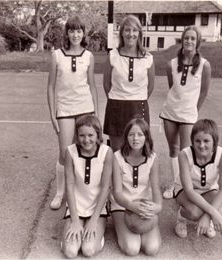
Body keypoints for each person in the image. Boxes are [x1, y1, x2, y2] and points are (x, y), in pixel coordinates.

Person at [47, 16, 98, 210]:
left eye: (79, 31)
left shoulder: (89, 56)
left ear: (83, 33)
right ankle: (60, 193)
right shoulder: (57, 56)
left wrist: (96, 113)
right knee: (64, 152)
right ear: (67, 33)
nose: (75, 35)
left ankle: (80, 190)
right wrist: (53, 114)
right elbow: (50, 86)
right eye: (72, 31)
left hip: (85, 108)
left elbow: (92, 85)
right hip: (65, 109)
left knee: (86, 149)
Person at [159, 26, 211, 200]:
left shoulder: (204, 65)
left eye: (192, 39)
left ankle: (185, 186)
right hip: (170, 113)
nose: (189, 41)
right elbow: (172, 88)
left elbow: (203, 92)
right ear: (182, 40)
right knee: (173, 149)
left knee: (185, 151)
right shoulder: (171, 64)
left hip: (188, 115)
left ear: (197, 42)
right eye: (186, 38)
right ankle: (175, 184)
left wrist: (194, 110)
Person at [61, 115, 113, 258]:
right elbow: (70, 186)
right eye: (82, 135)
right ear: (77, 136)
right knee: (70, 252)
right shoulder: (70, 152)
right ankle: (69, 237)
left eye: (91, 135)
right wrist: (75, 220)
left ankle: (97, 236)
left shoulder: (106, 152)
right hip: (76, 206)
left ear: (98, 134)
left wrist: (93, 220)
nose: (86, 139)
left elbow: (105, 187)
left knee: (88, 250)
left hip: (97, 207)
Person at [110, 118, 162, 256]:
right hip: (122, 206)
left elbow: (156, 190)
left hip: (143, 205)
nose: (135, 138)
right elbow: (117, 193)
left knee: (152, 249)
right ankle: (120, 228)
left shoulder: (152, 158)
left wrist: (156, 207)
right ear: (126, 137)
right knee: (132, 249)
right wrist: (132, 207)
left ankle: (141, 231)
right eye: (131, 134)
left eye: (140, 134)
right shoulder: (117, 157)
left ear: (146, 137)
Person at [103, 15, 155, 151]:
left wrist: (137, 98)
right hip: (116, 106)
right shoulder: (113, 55)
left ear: (139, 33)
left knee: (138, 151)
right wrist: (118, 99)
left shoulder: (148, 58)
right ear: (121, 33)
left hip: (139, 107)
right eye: (127, 30)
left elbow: (150, 87)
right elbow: (106, 84)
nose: (131, 34)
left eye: (134, 30)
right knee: (117, 151)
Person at [174, 119, 222, 239]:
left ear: (214, 141)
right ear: (192, 141)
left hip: (209, 189)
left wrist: (207, 217)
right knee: (195, 213)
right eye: (197, 141)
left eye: (206, 141)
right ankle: (181, 216)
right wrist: (213, 213)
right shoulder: (184, 155)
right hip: (186, 191)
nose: (201, 145)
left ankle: (206, 220)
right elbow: (189, 191)